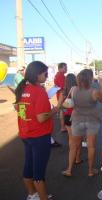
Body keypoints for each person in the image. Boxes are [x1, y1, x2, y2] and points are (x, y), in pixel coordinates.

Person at [15, 61, 57, 200]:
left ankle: (32, 194)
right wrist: (55, 110)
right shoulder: (39, 91)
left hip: (25, 134)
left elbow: (20, 111)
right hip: (39, 136)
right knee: (39, 170)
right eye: (45, 73)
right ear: (38, 74)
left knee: (29, 165)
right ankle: (43, 197)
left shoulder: (22, 89)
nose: (47, 76)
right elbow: (41, 118)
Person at [65, 69, 102, 177]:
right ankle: (90, 171)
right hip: (92, 120)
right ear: (90, 79)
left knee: (74, 146)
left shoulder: (73, 89)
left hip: (77, 119)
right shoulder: (94, 92)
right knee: (91, 146)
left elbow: (69, 102)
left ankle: (69, 170)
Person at [57, 74, 83, 176]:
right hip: (79, 118)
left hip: (68, 118)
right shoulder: (80, 91)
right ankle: (74, 163)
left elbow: (59, 107)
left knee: (72, 141)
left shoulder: (63, 93)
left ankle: (73, 164)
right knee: (78, 140)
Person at [54, 62, 67, 132]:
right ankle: (63, 127)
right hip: (62, 96)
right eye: (65, 68)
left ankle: (63, 126)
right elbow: (63, 87)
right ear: (60, 68)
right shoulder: (61, 75)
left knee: (62, 111)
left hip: (60, 95)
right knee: (63, 111)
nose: (66, 69)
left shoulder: (57, 75)